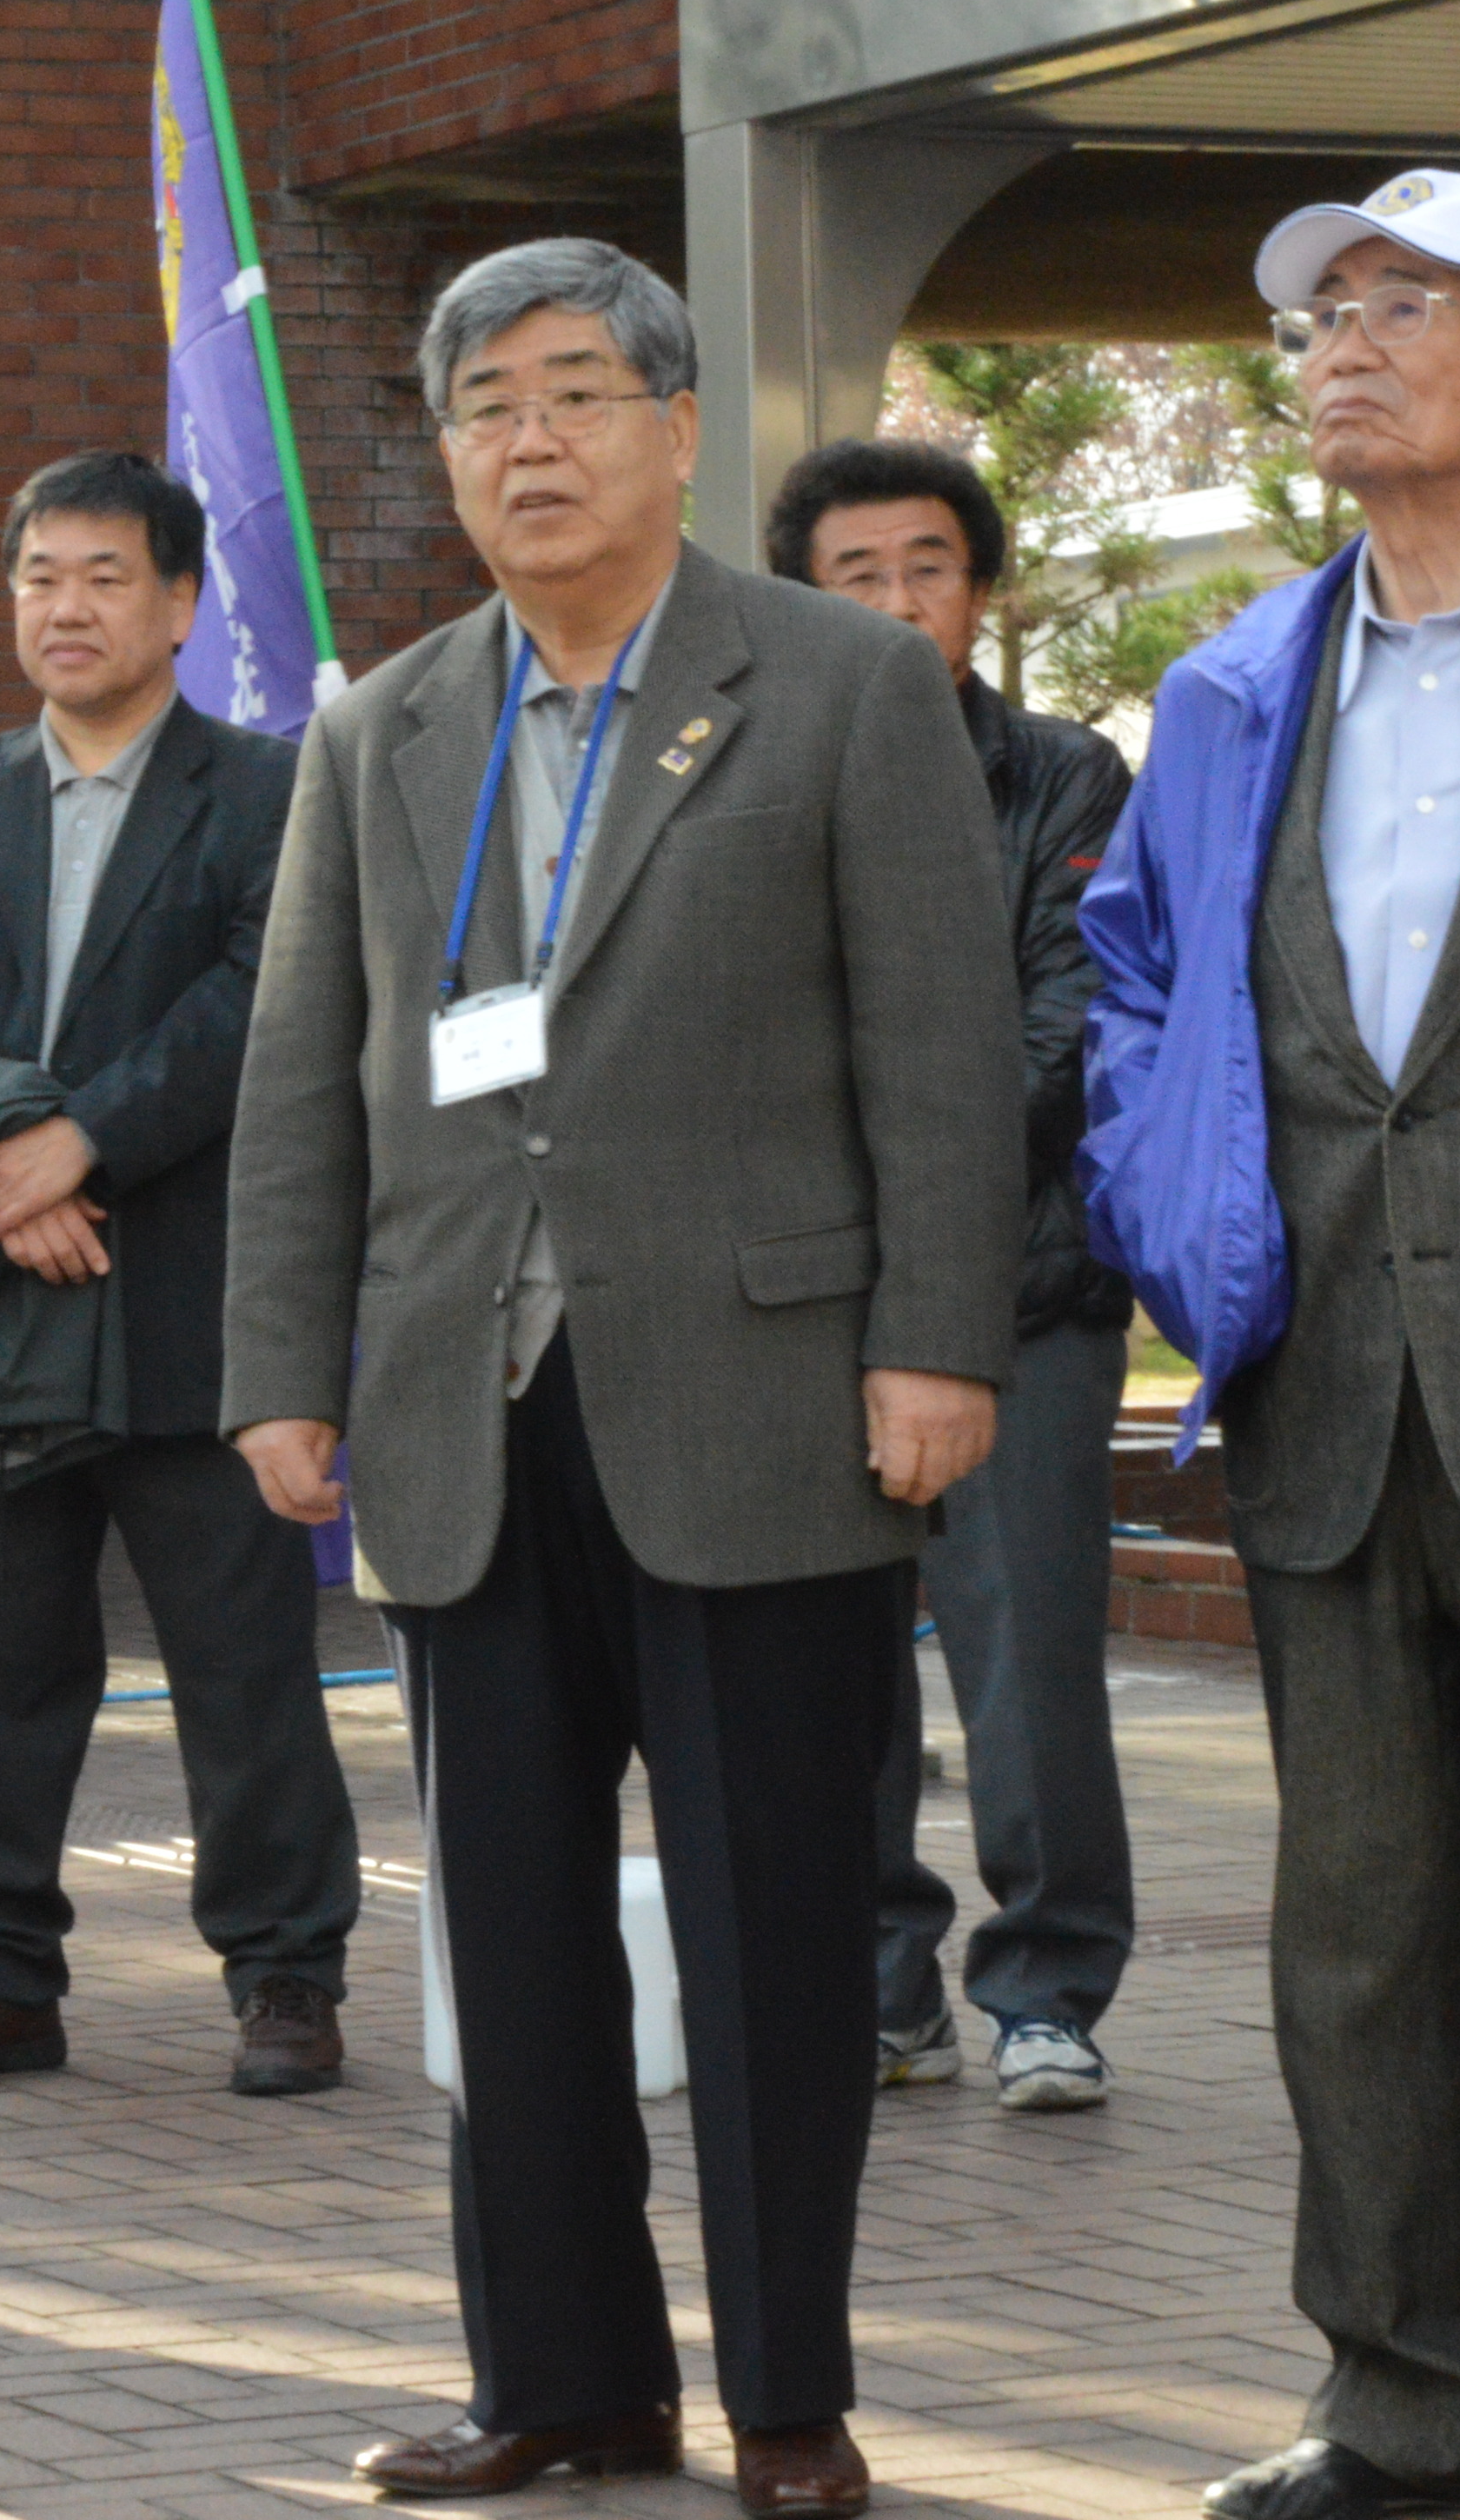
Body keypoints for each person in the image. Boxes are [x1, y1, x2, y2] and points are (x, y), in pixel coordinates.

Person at [222, 238, 1024, 2520]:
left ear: (677, 430)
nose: (530, 442)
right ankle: (564, 2382)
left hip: (767, 1394)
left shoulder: (847, 688)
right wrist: (285, 1360)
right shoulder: (386, 730)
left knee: (778, 1928)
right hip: (464, 1408)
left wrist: (939, 1342)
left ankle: (787, 2399)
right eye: (486, 405)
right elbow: (311, 1076)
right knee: (510, 1932)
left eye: (578, 394)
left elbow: (946, 1052)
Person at [1085, 169, 1460, 2520]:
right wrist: (1177, 1211)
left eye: (1405, 305)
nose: (1345, 344)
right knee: (1360, 1943)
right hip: (1331, 1383)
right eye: (1322, 314)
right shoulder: (1242, 679)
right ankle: (1408, 2405)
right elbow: (1136, 981)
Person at [0, 448, 361, 2098]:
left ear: (176, 601)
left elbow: (259, 1007)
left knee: (243, 1665)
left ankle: (287, 1975)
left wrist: (74, 1146)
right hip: (3, 1298)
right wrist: (9, 1159)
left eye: (100, 577)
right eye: (36, 577)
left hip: (194, 1295)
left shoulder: (271, 792)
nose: (63, 608)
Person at [767, 438, 1139, 2114]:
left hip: (1023, 1294)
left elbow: (1069, 1030)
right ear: (805, 600)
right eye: (858, 575)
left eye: (930, 567)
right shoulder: (757, 769)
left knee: (1029, 1665)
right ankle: (876, 1987)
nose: (900, 601)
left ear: (981, 594)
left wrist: (896, 1179)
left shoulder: (1067, 778)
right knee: (825, 1668)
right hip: (804, 1305)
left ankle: (1048, 1989)